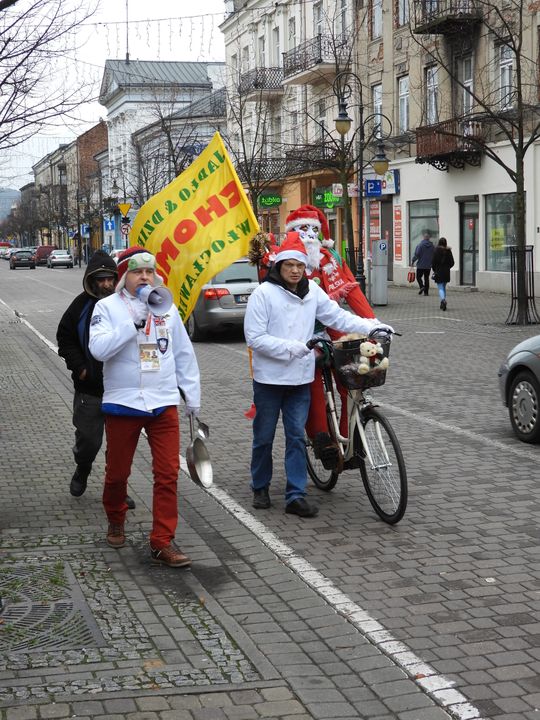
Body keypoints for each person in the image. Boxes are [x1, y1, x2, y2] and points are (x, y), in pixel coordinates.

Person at [244, 232, 393, 518]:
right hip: (270, 380)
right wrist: (296, 348)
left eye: (300, 265)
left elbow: (337, 316)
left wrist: (372, 326)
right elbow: (255, 338)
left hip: (300, 379)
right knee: (263, 436)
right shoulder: (263, 294)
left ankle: (295, 495)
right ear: (279, 265)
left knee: (296, 438)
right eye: (290, 265)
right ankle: (260, 486)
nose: (295, 270)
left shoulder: (312, 291)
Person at [88, 247, 201, 567]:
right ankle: (116, 517)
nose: (145, 277)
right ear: (125, 276)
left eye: (150, 272)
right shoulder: (106, 307)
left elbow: (183, 353)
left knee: (167, 473)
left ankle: (162, 540)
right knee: (117, 474)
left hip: (162, 402)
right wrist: (132, 324)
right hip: (123, 403)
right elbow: (98, 350)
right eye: (138, 272)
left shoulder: (166, 306)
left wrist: (192, 396)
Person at [56, 251, 135, 509]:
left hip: (121, 389)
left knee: (119, 448)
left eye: (110, 278)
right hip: (90, 389)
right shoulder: (80, 306)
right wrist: (81, 368)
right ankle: (83, 468)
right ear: (92, 280)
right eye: (101, 279)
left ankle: (117, 490)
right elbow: (65, 338)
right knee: (89, 441)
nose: (106, 284)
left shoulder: (126, 305)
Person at [431, 237, 455, 311]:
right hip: (446, 272)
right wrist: (447, 267)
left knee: (440, 287)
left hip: (439, 271)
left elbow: (433, 262)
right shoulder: (448, 251)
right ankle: (442, 302)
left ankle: (443, 300)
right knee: (443, 287)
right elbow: (452, 262)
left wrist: (434, 270)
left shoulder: (436, 250)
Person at [411, 229, 435, 296]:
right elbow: (434, 255)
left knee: (418, 277)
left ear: (424, 238)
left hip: (421, 265)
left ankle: (422, 286)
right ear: (429, 238)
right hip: (428, 266)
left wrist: (413, 261)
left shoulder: (420, 245)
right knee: (426, 278)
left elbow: (417, 254)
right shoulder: (432, 246)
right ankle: (426, 292)